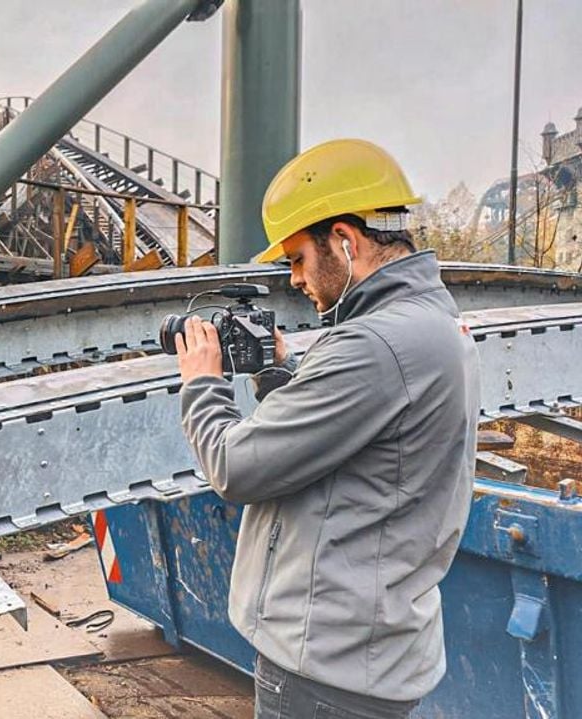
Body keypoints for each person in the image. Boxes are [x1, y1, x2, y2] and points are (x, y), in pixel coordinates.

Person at [174, 139, 479, 718]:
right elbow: (360, 456)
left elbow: (235, 467)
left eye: (296, 259)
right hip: (371, 649)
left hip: (325, 670)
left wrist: (202, 383)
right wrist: (278, 376)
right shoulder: (433, 324)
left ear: (345, 240)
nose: (293, 279)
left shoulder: (373, 345)